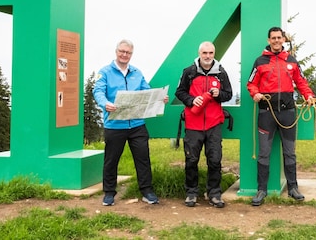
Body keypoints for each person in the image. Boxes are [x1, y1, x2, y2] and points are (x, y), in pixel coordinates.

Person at [93, 39, 169, 206]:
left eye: (128, 52)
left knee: (143, 159)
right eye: (122, 51)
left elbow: (146, 91)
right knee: (111, 160)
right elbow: (98, 91)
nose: (124, 55)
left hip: (137, 125)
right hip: (114, 125)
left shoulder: (137, 73)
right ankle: (109, 193)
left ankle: (147, 191)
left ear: (131, 54)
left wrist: (159, 98)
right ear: (116, 51)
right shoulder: (105, 72)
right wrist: (105, 103)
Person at [246, 26, 315, 206]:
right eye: (273, 38)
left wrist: (308, 96)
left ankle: (293, 188)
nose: (276, 41)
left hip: (288, 113)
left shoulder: (291, 60)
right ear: (269, 40)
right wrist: (255, 94)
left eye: (279, 38)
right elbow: (251, 83)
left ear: (283, 40)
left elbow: (301, 82)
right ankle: (262, 190)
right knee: (264, 153)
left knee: (290, 152)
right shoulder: (260, 61)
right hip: (266, 113)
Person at [175, 41, 233, 208]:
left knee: (215, 160)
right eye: (204, 53)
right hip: (193, 124)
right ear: (199, 53)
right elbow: (179, 92)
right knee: (191, 160)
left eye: (211, 53)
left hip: (214, 124)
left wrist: (218, 94)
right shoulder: (189, 72)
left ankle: (214, 193)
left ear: (214, 54)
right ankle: (191, 193)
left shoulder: (221, 73)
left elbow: (228, 94)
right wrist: (192, 100)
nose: (208, 56)